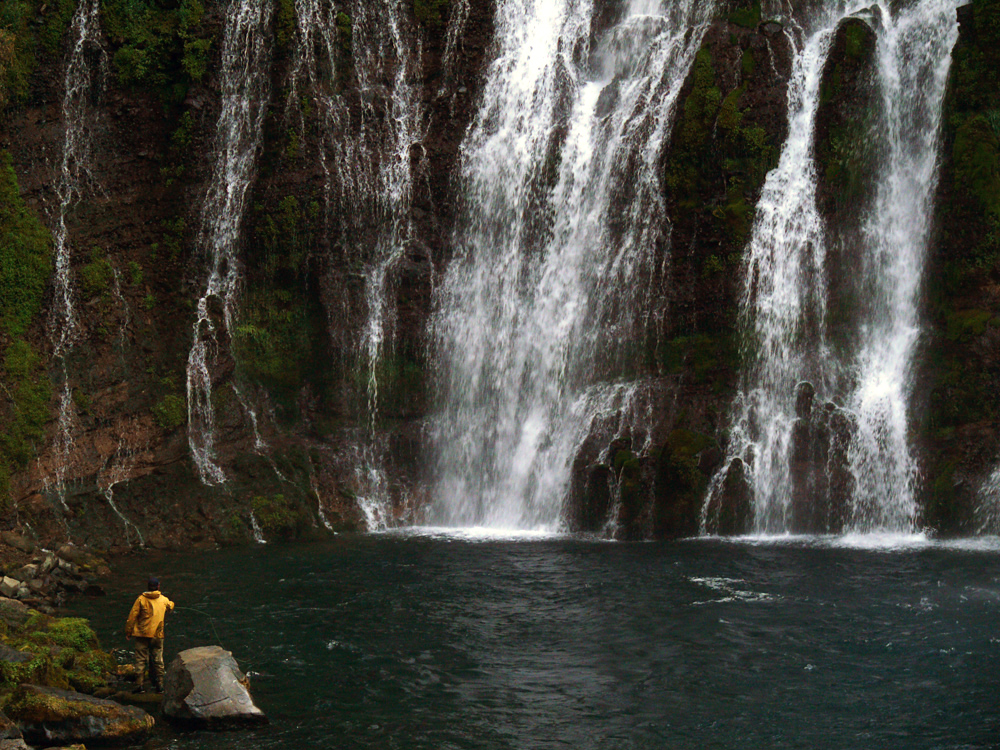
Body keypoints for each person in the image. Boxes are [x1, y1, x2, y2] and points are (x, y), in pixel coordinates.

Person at [125, 576, 175, 693]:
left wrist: (129, 632)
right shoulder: (163, 599)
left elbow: (132, 617)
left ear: (148, 587)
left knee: (140, 660)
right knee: (158, 659)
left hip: (142, 635)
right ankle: (160, 685)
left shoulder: (141, 600)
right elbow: (170, 606)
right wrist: (171, 605)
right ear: (158, 586)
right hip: (158, 635)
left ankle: (139, 685)